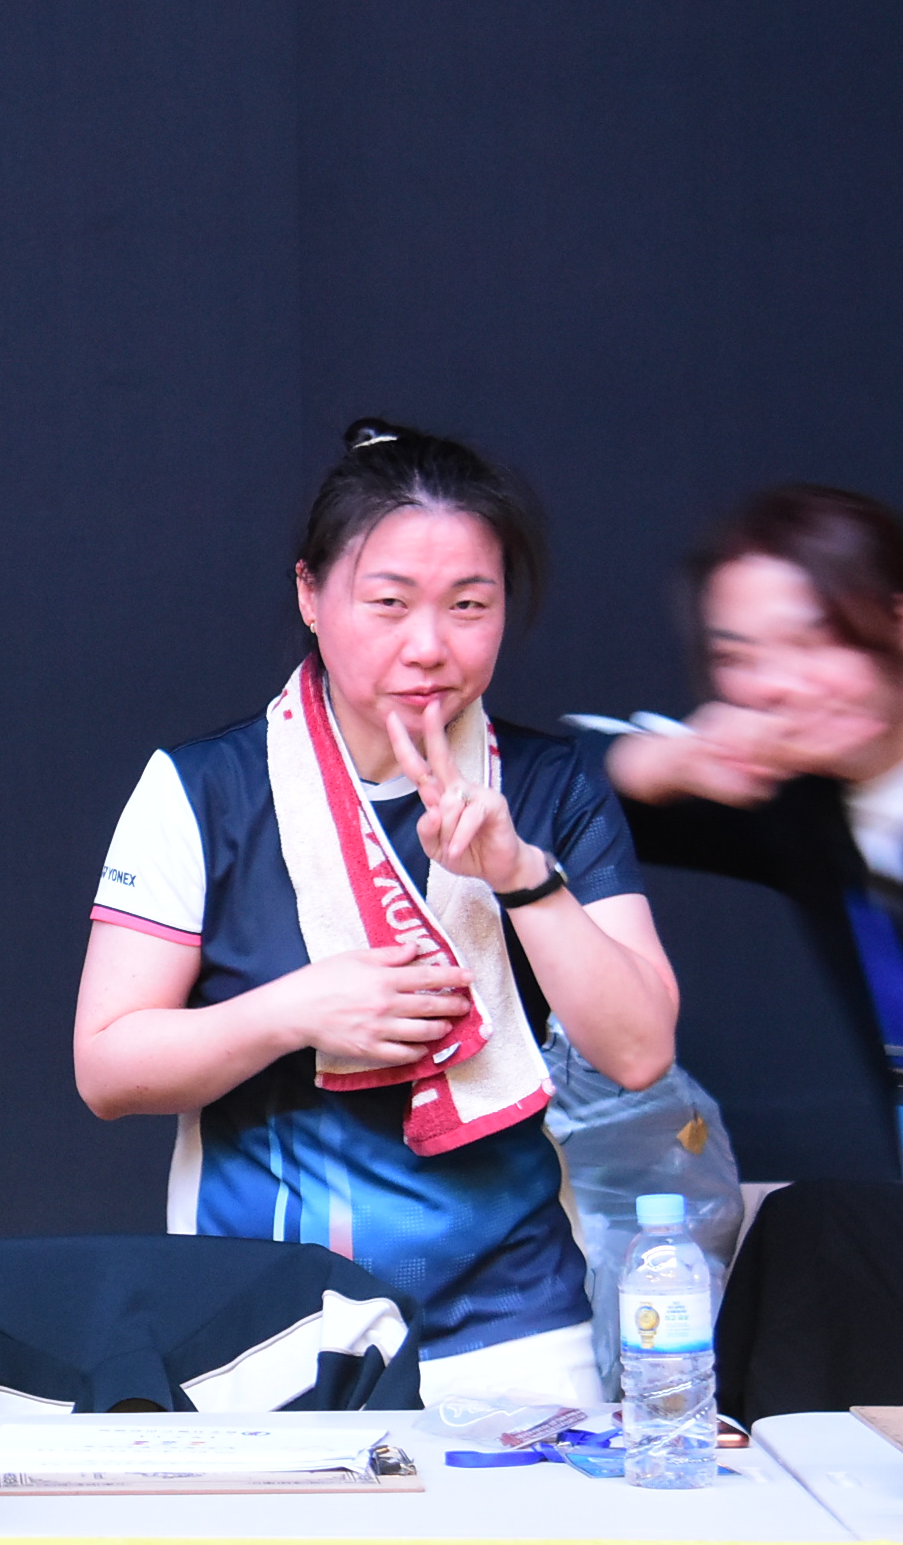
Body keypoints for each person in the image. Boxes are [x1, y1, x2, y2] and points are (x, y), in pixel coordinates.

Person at [73, 419, 680, 1404]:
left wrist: (520, 876)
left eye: (469, 605)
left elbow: (640, 1049)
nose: (428, 646)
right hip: (255, 1328)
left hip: (513, 1326)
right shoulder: (202, 789)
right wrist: (293, 1011)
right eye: (388, 603)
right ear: (310, 595)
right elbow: (106, 1067)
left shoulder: (549, 784)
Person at [594, 484, 903, 1415]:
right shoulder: (809, 808)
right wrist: (673, 760)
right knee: (807, 1236)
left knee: (821, 1236)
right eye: (738, 657)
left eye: (813, 641)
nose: (775, 686)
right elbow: (562, 794)